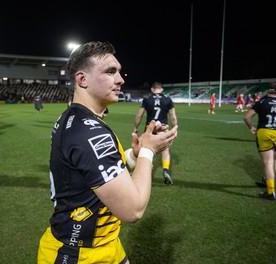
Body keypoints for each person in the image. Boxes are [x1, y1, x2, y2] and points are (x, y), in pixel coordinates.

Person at [37, 41, 178, 263]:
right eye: (110, 72)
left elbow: (96, 174)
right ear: (82, 79)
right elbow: (133, 210)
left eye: (119, 72)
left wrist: (134, 155)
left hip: (106, 244)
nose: (121, 79)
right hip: (79, 254)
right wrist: (148, 152)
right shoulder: (89, 131)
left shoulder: (80, 119)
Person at [244, 83, 276, 200]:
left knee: (268, 162)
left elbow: (247, 117)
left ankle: (270, 192)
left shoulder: (261, 102)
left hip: (264, 132)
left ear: (268, 91)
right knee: (275, 160)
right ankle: (269, 181)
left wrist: (251, 128)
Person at [134, 81, 178, 185]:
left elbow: (139, 115)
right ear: (161, 89)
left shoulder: (147, 98)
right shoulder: (167, 99)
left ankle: (148, 171)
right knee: (165, 151)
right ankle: (166, 170)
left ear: (152, 89)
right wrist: (175, 128)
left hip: (150, 128)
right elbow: (173, 116)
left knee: (148, 150)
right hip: (163, 128)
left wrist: (135, 127)